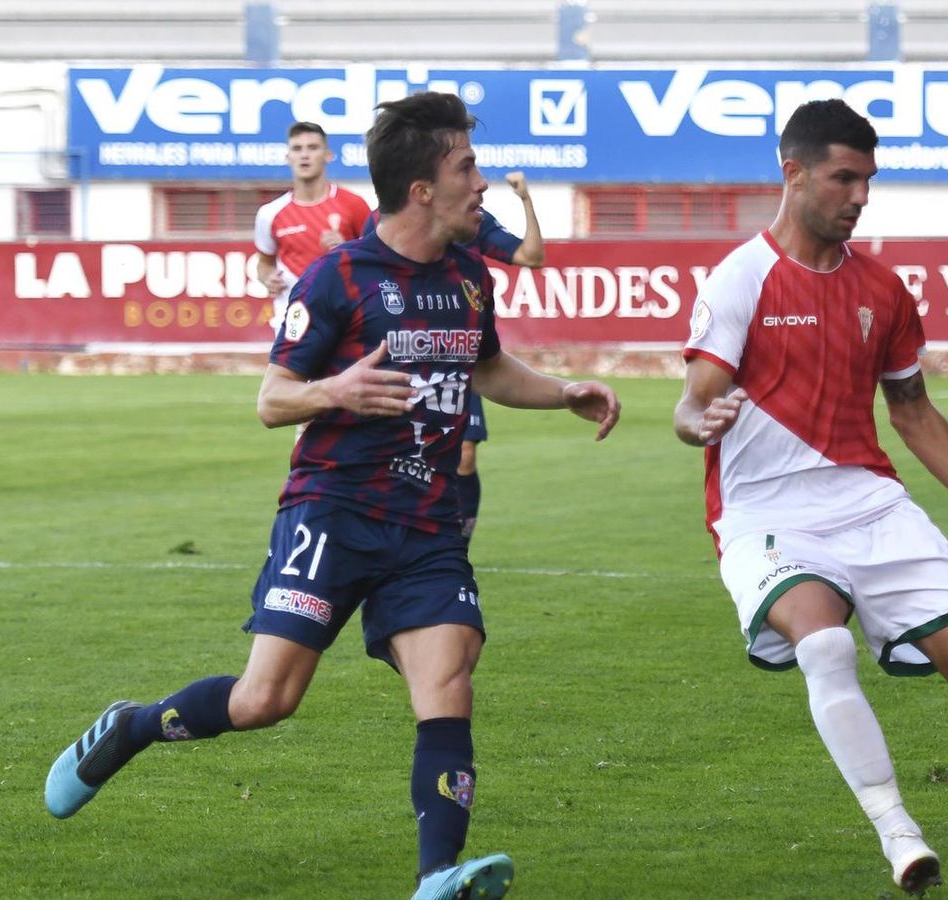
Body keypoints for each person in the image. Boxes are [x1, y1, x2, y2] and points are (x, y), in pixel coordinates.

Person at [45, 92, 621, 900]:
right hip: (333, 514)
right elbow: (272, 400)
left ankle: (438, 878)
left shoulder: (467, 275)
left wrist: (564, 392)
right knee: (263, 701)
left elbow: (486, 368)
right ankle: (133, 725)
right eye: (468, 168)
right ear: (423, 188)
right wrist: (339, 388)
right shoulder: (337, 277)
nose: (482, 184)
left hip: (426, 526)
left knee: (449, 676)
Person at [672, 98, 948, 900]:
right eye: (843, 178)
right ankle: (900, 834)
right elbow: (692, 399)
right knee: (823, 643)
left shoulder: (882, 290)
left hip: (870, 504)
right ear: (794, 172)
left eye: (868, 180)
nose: (859, 196)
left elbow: (912, 409)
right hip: (767, 514)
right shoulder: (740, 278)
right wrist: (694, 421)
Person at [362, 172, 545, 540]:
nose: (475, 184)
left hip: (457, 352)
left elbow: (531, 256)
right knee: (396, 451)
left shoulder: (473, 221)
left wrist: (526, 199)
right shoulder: (379, 221)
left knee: (464, 453)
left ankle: (456, 540)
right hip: (403, 354)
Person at [254, 121, 372, 332]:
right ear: (288, 157)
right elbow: (264, 263)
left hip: (343, 313)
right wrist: (267, 278)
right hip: (291, 316)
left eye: (313, 148)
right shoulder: (270, 213)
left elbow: (377, 257)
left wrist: (348, 248)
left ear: (328, 155)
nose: (304, 155)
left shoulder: (353, 204)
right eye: (297, 149)